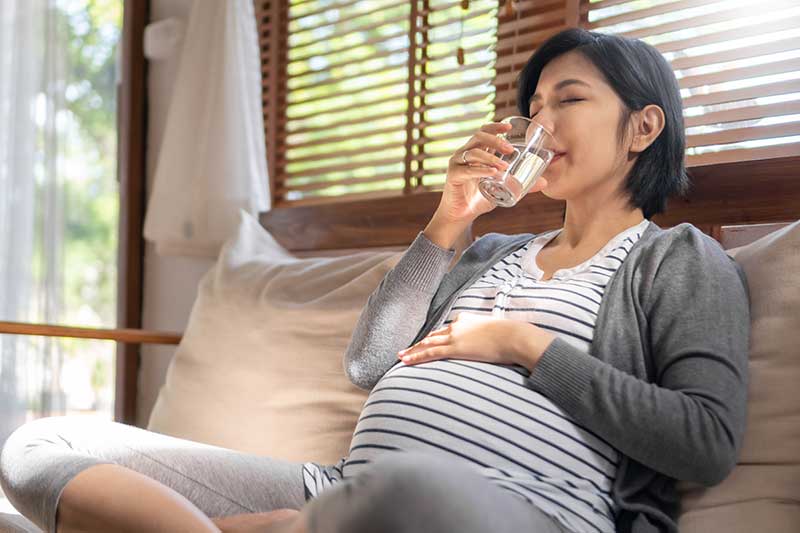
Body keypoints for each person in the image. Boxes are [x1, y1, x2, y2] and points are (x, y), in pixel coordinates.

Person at [0, 27, 750, 533]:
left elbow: (705, 440)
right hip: (335, 493)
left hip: (518, 509)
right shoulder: (494, 256)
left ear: (642, 128)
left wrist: (521, 343)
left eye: (570, 100)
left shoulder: (677, 258)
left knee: (404, 492)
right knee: (41, 445)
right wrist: (449, 219)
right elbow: (369, 362)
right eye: (534, 106)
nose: (539, 125)